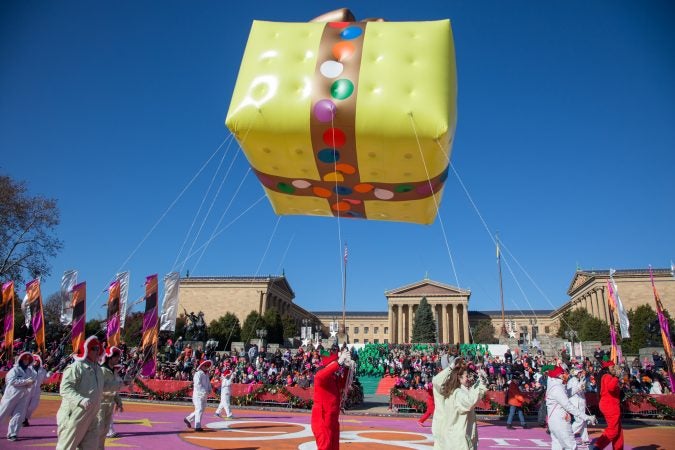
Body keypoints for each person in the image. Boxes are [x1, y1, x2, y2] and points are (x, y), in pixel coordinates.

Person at [56, 336, 104, 450]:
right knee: (67, 446)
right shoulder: (76, 367)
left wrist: (122, 384)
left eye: (98, 348)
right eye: (94, 348)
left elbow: (104, 386)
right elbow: (65, 388)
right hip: (75, 414)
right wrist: (80, 400)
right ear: (86, 349)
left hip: (92, 414)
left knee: (91, 446)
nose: (97, 351)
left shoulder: (98, 369)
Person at [431, 357, 488, 450]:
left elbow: (470, 396)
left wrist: (480, 382)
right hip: (456, 438)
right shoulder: (455, 392)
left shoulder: (451, 391)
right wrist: (482, 383)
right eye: (466, 376)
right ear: (458, 377)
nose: (469, 378)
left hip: (450, 435)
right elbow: (469, 401)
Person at [311, 347, 355, 450]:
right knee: (325, 447)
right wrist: (338, 363)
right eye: (334, 362)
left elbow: (344, 384)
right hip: (323, 419)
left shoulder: (333, 377)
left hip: (333, 419)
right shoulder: (321, 376)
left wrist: (348, 367)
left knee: (334, 447)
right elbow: (319, 377)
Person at [546, 366, 596, 450]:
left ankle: (585, 438)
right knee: (571, 447)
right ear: (558, 375)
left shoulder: (555, 385)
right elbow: (568, 405)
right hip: (560, 421)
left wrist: (578, 388)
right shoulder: (557, 388)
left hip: (555, 421)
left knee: (557, 446)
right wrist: (586, 417)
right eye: (563, 373)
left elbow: (566, 394)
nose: (566, 375)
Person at [0, 352, 36, 441]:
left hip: (23, 395)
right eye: (25, 359)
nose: (26, 361)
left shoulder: (29, 371)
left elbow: (31, 381)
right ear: (20, 360)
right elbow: (12, 381)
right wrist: (26, 382)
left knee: (18, 415)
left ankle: (13, 433)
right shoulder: (14, 370)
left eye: (28, 359)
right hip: (11, 395)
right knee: (2, 413)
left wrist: (30, 383)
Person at [591, 361, 624, 450]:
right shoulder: (607, 376)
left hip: (610, 404)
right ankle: (597, 447)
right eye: (612, 367)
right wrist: (617, 376)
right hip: (610, 405)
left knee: (618, 430)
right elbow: (611, 388)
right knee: (613, 430)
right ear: (607, 368)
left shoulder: (606, 377)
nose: (614, 368)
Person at [97, 346, 124, 447]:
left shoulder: (114, 371)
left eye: (118, 357)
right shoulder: (102, 371)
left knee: (103, 433)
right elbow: (100, 389)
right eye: (116, 357)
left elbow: (114, 389)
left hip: (109, 405)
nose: (118, 359)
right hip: (100, 405)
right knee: (97, 431)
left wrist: (119, 402)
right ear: (110, 358)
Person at [184, 359, 212, 431]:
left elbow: (208, 384)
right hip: (198, 395)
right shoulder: (198, 374)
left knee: (201, 410)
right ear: (201, 366)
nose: (206, 367)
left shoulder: (206, 374)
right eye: (204, 365)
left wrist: (209, 390)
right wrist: (204, 391)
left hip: (204, 395)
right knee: (199, 409)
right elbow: (197, 384)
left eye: (207, 365)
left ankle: (188, 419)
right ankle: (197, 426)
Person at [24, 354, 51, 427]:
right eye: (34, 361)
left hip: (37, 390)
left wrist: (48, 374)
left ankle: (26, 417)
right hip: (28, 389)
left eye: (36, 361)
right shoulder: (28, 368)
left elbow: (45, 380)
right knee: (25, 405)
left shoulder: (43, 370)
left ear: (39, 361)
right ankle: (23, 419)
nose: (34, 362)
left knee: (33, 406)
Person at [567, 367, 589, 446]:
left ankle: (585, 439)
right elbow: (569, 393)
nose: (581, 374)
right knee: (579, 421)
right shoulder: (571, 381)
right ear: (576, 373)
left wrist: (582, 387)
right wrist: (579, 387)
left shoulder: (582, 380)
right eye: (579, 372)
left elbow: (583, 391)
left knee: (584, 421)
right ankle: (568, 435)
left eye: (581, 372)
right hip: (575, 403)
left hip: (582, 402)